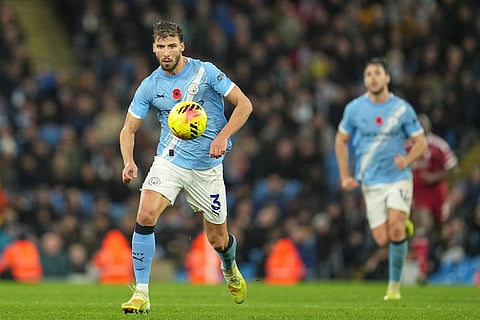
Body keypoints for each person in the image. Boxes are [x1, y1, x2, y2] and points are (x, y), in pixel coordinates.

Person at [119, 20, 253, 314]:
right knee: (144, 213)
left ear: (182, 46)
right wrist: (128, 161)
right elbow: (128, 130)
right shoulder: (150, 85)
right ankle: (141, 292)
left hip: (208, 167)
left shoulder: (206, 72)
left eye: (171, 46)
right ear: (154, 48)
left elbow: (244, 105)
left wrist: (223, 136)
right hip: (169, 160)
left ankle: (229, 266)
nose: (166, 52)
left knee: (218, 239)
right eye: (160, 46)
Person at [335, 57, 427, 300]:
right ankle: (405, 226)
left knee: (395, 229)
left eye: (377, 73)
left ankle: (393, 289)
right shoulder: (354, 109)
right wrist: (345, 175)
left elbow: (421, 142)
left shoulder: (401, 109)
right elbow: (340, 140)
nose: (373, 78)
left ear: (387, 78)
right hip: (371, 182)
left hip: (398, 177)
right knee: (382, 238)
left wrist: (407, 161)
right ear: (365, 80)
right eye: (368, 74)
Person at [408, 113, 458, 283]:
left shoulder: (439, 146)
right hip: (420, 195)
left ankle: (447, 258)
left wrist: (434, 176)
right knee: (421, 227)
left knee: (440, 231)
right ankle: (421, 272)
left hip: (438, 194)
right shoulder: (407, 147)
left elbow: (454, 169)